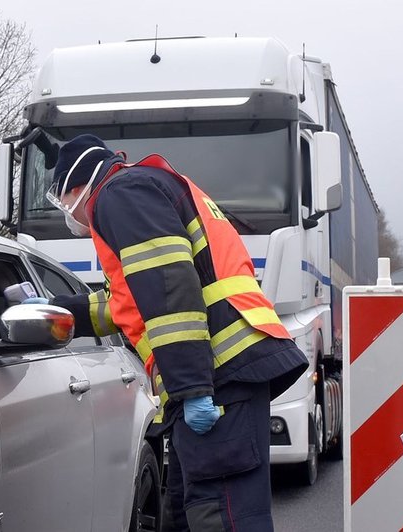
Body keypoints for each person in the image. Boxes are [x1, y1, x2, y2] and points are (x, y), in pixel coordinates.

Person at [33, 134, 307, 532]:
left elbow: (169, 289)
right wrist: (57, 309)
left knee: (220, 517)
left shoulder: (119, 195)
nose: (68, 212)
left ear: (77, 187)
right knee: (188, 513)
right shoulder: (139, 188)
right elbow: (127, 304)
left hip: (216, 377)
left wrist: (193, 389)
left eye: (64, 198)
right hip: (224, 371)